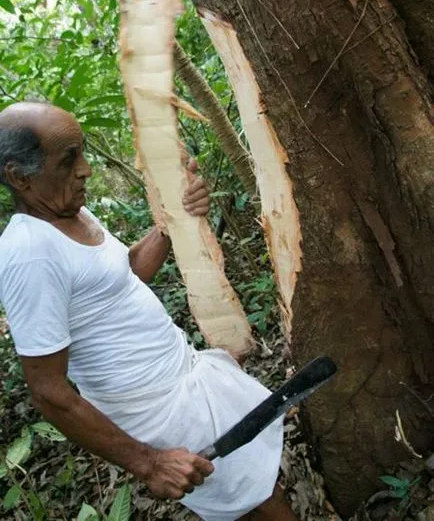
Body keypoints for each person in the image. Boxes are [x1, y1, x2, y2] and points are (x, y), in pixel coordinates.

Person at [0, 102, 298, 521]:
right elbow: (49, 391)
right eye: (69, 161)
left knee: (255, 484)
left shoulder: (72, 211)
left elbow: (129, 273)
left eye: (82, 153)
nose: (85, 169)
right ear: (19, 176)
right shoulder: (29, 253)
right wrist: (149, 462)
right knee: (256, 503)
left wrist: (173, 219)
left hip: (183, 377)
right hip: (155, 407)